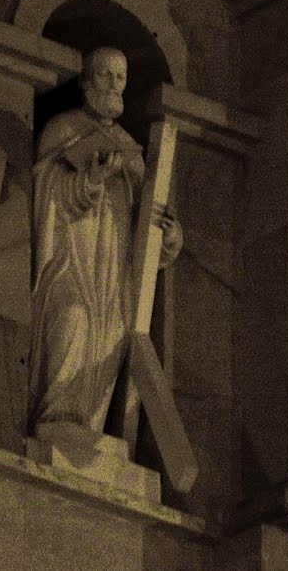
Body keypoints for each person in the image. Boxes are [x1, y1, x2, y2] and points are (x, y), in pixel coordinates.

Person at [29, 46, 182, 434]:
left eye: (120, 77)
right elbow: (46, 192)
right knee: (72, 321)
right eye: (105, 75)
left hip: (112, 270)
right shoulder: (62, 130)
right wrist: (90, 181)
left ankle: (89, 429)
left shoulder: (131, 151)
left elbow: (144, 232)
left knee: (110, 337)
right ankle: (57, 417)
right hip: (70, 256)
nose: (114, 84)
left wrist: (167, 235)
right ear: (85, 81)